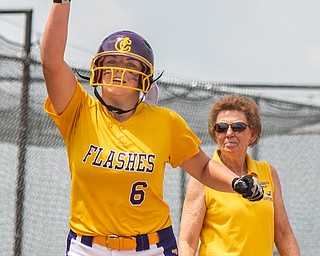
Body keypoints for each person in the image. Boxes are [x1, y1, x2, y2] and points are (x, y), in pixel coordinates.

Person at [40, 2, 264, 256]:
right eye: (111, 61)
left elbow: (202, 167)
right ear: (98, 71)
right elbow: (51, 62)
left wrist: (236, 183)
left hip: (152, 247)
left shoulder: (165, 121)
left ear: (143, 77)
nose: (118, 70)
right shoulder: (78, 111)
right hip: (87, 247)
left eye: (130, 65)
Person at [178, 94, 301, 256]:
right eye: (221, 128)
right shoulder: (202, 178)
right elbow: (187, 241)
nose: (229, 133)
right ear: (215, 134)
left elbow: (284, 234)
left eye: (238, 127)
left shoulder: (268, 173)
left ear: (253, 135)